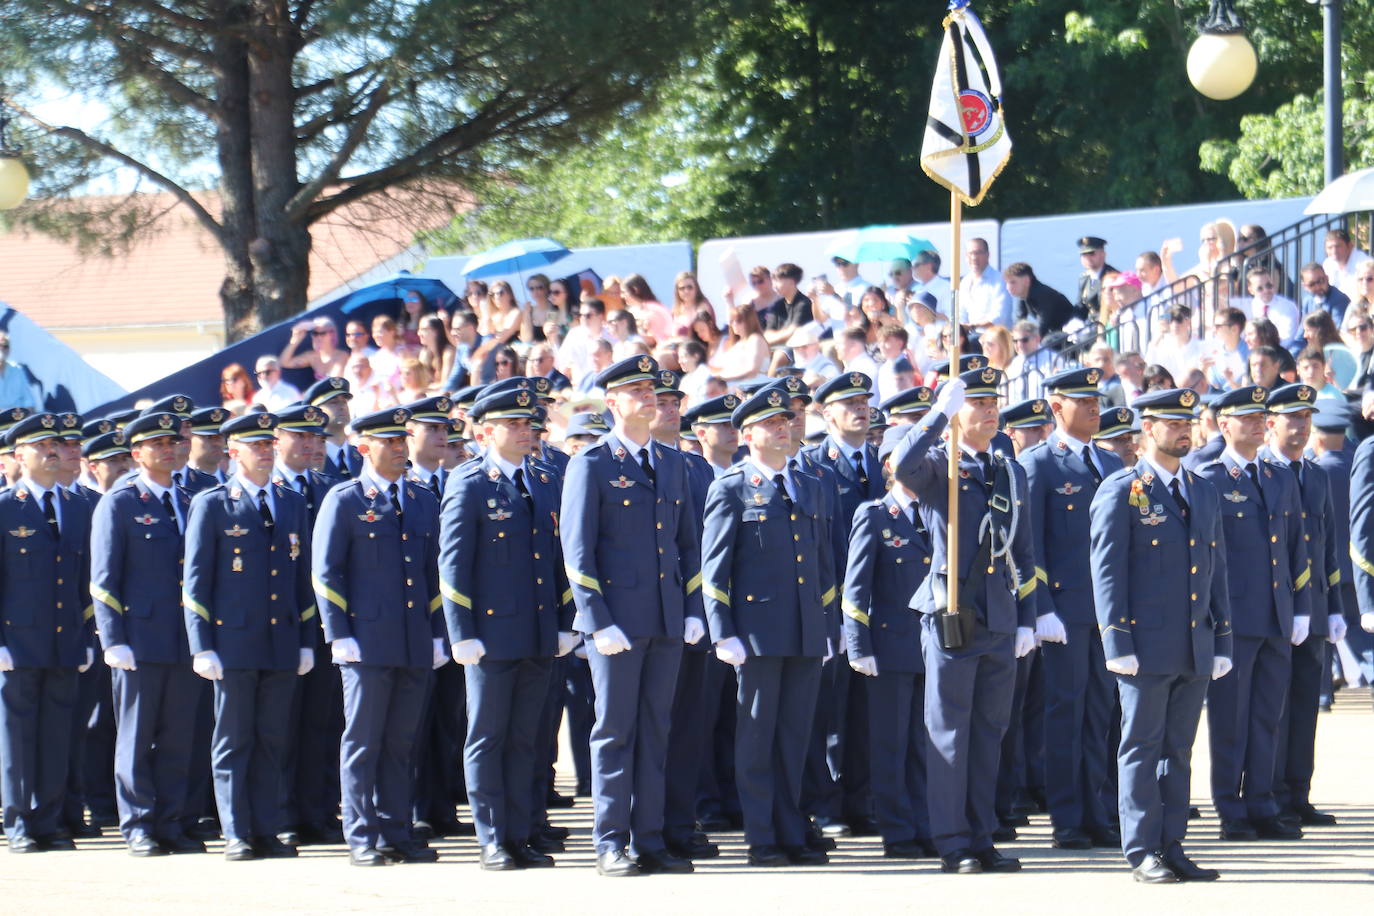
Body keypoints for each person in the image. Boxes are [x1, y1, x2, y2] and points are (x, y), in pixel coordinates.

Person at [889, 366, 1037, 874]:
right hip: (954, 610)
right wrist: (936, 415)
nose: (990, 410)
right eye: (978, 402)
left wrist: (1027, 617)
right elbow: (899, 464)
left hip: (999, 615)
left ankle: (982, 834)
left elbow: (1024, 548)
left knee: (989, 732)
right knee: (950, 732)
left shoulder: (1008, 469)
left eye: (994, 401)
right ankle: (952, 841)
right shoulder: (938, 465)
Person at [559, 355, 702, 877]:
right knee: (615, 730)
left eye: (653, 390)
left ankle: (650, 838)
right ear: (613, 402)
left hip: (664, 621)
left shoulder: (671, 463)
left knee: (656, 731)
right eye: (636, 390)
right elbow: (578, 553)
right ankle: (610, 841)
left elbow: (688, 545)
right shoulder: (591, 464)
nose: (648, 397)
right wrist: (598, 620)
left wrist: (690, 611)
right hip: (616, 625)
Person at [1088, 387, 1232, 883]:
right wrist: (1116, 642)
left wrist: (1223, 640)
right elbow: (1107, 573)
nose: (1184, 430)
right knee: (1141, 747)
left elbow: (1215, 569)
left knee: (1179, 750)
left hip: (1194, 644)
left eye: (1188, 422)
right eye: (1173, 423)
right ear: (1148, 429)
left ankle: (1172, 843)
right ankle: (1142, 849)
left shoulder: (1202, 488)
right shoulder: (1122, 489)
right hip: (1144, 647)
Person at [440, 385, 574, 871]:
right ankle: (493, 837)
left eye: (529, 424)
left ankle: (520, 834)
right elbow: (453, 564)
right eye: (514, 424)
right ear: (484, 431)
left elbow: (557, 561)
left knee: (527, 738)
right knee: (489, 735)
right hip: (491, 636)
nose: (525, 432)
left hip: (538, 632)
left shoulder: (542, 480)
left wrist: (564, 622)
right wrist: (462, 631)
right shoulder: (469, 482)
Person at [700, 387, 833, 867]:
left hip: (803, 630)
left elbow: (822, 563)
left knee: (794, 736)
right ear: (747, 433)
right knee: (757, 736)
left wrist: (828, 624)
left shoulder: (808, 484)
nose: (783, 427)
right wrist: (722, 629)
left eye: (786, 420)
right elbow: (714, 569)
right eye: (771, 422)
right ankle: (761, 835)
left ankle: (789, 826)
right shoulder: (731, 487)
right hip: (755, 633)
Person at [312, 407, 447, 867]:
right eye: (387, 441)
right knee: (363, 741)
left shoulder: (423, 499)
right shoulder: (346, 499)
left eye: (400, 440)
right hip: (366, 642)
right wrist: (338, 633)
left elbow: (431, 575)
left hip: (411, 641)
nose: (397, 448)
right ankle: (362, 835)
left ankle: (396, 829)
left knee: (400, 742)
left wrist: (435, 634)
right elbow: (327, 573)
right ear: (363, 447)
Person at [181, 412, 314, 861]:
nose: (265, 452)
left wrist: (306, 640)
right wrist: (201, 644)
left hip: (280, 641)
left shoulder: (290, 501)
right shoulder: (214, 503)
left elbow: (301, 579)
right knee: (234, 739)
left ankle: (266, 828)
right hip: (233, 642)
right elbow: (196, 582)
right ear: (233, 451)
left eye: (268, 444)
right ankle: (237, 831)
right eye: (254, 445)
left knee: (272, 739)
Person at [1194, 385, 1308, 843]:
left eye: (1263, 417)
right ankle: (1230, 807)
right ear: (1225, 426)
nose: (1261, 424)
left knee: (1267, 717)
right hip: (1234, 620)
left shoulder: (1278, 476)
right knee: (1231, 720)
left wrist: (1300, 608)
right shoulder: (1210, 477)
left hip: (1276, 617)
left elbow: (1297, 546)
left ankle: (1262, 803)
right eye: (1249, 417)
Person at [1018, 368, 1123, 851]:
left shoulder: (1109, 461)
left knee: (1102, 714)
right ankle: (1067, 815)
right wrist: (1040, 608)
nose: (1095, 409)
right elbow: (1029, 545)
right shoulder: (1039, 463)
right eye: (1085, 402)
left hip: (1109, 614)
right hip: (1064, 611)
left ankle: (1099, 810)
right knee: (1066, 713)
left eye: (1097, 401)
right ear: (1057, 407)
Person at [89, 413, 202, 857]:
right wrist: (112, 639)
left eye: (174, 442)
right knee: (136, 736)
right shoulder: (119, 502)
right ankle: (137, 823)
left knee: (179, 735)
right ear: (136, 454)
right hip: (139, 638)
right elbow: (104, 579)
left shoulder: (191, 497)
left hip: (184, 638)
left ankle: (172, 821)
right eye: (158, 444)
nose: (170, 450)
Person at [0, 412, 95, 853]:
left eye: (57, 445)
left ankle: (50, 820)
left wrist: (86, 636)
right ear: (20, 455)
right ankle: (19, 823)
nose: (53, 453)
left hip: (64, 640)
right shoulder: (5, 507)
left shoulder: (77, 507)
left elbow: (84, 581)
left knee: (58, 734)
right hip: (17, 642)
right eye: (42, 446)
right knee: (18, 738)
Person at [842, 424, 935, 859]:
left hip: (934, 647)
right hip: (889, 648)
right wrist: (859, 646)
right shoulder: (875, 515)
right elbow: (855, 588)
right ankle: (898, 831)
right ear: (889, 466)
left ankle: (926, 824)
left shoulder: (939, 513)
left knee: (926, 742)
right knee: (891, 744)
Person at [1258, 384, 1345, 828]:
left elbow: (1324, 545)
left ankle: (1298, 793)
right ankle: (1269, 793)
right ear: (1270, 423)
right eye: (1292, 417)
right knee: (1273, 706)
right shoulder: (1260, 472)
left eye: (1306, 417)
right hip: (1273, 609)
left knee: (1306, 704)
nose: (1301, 426)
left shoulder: (1315, 475)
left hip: (1311, 609)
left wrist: (1331, 606)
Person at [1006, 262, 1076, 338]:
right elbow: (1019, 323)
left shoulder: (1043, 294)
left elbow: (1042, 328)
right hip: (1054, 332)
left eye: (1013, 282)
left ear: (1026, 280)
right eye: (1007, 283)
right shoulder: (1023, 295)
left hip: (1070, 335)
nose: (1008, 287)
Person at [556, 298, 611, 387]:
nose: (583, 319)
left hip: (607, 382)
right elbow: (561, 361)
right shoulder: (574, 335)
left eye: (588, 315)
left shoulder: (611, 335)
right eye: (580, 315)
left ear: (600, 316)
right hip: (582, 386)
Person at [959, 238, 1012, 330]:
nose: (974, 257)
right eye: (970, 253)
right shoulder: (965, 282)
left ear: (988, 255)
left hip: (997, 338)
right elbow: (961, 314)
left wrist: (972, 326)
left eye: (978, 253)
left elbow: (1000, 317)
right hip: (971, 336)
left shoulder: (1000, 280)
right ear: (966, 256)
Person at [712, 305, 769, 384]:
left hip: (754, 386)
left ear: (749, 321)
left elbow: (753, 370)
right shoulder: (737, 344)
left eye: (739, 320)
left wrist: (722, 377)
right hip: (736, 388)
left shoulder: (756, 339)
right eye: (732, 321)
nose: (734, 324)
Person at [761, 264, 815, 347]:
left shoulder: (804, 304)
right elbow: (767, 335)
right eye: (773, 281)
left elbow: (792, 332)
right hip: (777, 347)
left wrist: (777, 335)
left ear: (792, 281)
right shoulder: (776, 306)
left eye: (778, 281)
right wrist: (784, 333)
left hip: (798, 347)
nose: (774, 286)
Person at [1244, 266, 1301, 344]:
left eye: (1268, 285)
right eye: (1260, 288)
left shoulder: (1287, 307)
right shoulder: (1247, 307)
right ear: (1251, 290)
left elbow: (1288, 339)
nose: (1266, 290)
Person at [280, 317, 348, 380]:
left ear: (331, 334)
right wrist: (295, 341)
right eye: (315, 333)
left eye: (322, 333)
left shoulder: (341, 355)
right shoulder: (312, 356)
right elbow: (285, 363)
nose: (318, 337)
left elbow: (335, 382)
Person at [622, 274, 673, 346]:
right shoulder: (631, 310)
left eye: (624, 292)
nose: (622, 296)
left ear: (635, 289)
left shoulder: (654, 311)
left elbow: (659, 338)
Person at [1322, 228, 1372, 299]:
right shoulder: (1327, 264)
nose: (1334, 251)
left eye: (1338, 246)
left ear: (1350, 245)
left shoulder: (1364, 263)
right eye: (1330, 247)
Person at [1076, 236, 1115, 321]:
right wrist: (1074, 321)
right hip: (1089, 323)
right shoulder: (1084, 278)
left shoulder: (1112, 276)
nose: (1088, 258)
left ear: (1103, 254)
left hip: (1106, 323)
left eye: (1092, 254)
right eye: (1083, 255)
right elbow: (1080, 307)